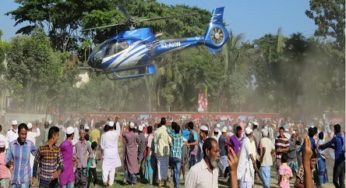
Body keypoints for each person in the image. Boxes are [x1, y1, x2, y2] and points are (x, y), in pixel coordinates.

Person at [6, 123, 37, 188]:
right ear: (18, 133)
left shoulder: (29, 144)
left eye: (25, 134)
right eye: (22, 134)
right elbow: (7, 160)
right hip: (15, 179)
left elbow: (38, 155)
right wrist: (9, 163)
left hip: (25, 180)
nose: (24, 136)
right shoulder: (12, 145)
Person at [319, 124, 345, 188]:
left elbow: (328, 143)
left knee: (334, 180)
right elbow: (337, 147)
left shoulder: (336, 138)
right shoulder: (341, 138)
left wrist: (321, 146)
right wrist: (331, 146)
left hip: (338, 162)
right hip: (343, 161)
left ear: (335, 130)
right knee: (341, 181)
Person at [100, 121, 121, 186]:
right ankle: (110, 183)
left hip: (107, 152)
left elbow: (102, 146)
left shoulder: (104, 135)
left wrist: (101, 154)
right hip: (114, 153)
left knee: (105, 167)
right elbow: (118, 129)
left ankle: (105, 180)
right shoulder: (116, 133)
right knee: (112, 168)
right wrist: (117, 122)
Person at [153, 118, 171, 187]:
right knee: (166, 166)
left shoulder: (157, 130)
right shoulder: (167, 130)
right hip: (166, 150)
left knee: (159, 166)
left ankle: (160, 181)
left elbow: (155, 141)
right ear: (165, 123)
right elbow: (170, 141)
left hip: (159, 150)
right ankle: (165, 180)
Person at [167, 122, 183, 188]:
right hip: (178, 155)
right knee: (178, 172)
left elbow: (167, 130)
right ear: (179, 130)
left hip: (173, 155)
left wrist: (172, 128)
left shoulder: (173, 135)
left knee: (174, 170)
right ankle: (177, 185)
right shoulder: (180, 135)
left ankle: (175, 184)